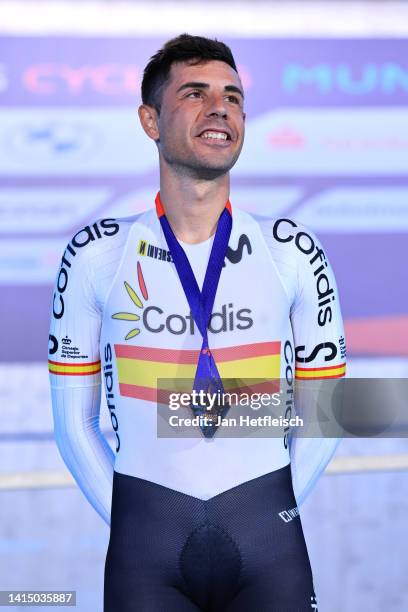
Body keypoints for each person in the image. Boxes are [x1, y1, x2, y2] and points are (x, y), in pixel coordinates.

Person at [48, 34, 346, 611]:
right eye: (195, 93)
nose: (221, 108)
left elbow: (326, 412)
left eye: (233, 97)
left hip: (268, 541)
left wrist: (279, 511)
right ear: (150, 120)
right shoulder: (96, 255)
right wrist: (137, 522)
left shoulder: (293, 251)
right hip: (146, 551)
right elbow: (73, 424)